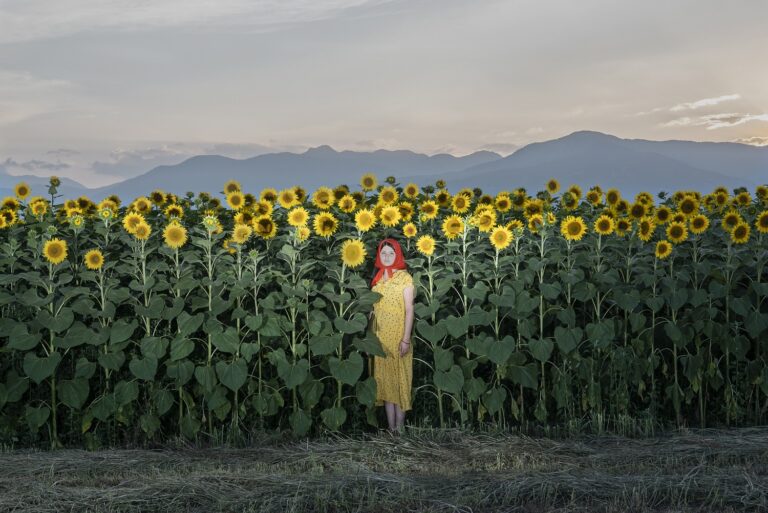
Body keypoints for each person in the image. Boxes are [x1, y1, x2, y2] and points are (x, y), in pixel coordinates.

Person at [370, 238, 415, 434]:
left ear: (397, 255)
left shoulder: (405, 278)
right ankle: (392, 430)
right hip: (380, 339)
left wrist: (406, 339)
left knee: (400, 382)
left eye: (391, 253)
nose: (386, 257)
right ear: (379, 256)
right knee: (386, 383)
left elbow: (409, 309)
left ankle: (401, 430)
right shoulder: (378, 278)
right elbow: (373, 309)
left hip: (398, 338)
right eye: (383, 253)